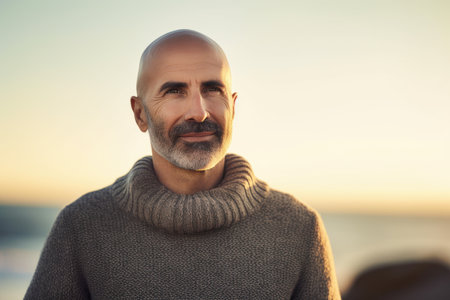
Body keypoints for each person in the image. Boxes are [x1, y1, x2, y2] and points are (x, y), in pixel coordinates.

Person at [25, 29, 341, 299]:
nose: (198, 111)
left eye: (211, 89)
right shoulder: (82, 226)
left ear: (233, 107)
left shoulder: (299, 228)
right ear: (139, 114)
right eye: (175, 91)